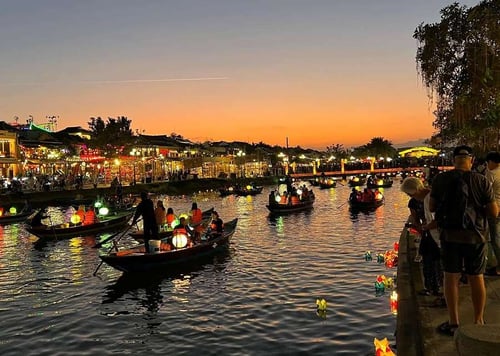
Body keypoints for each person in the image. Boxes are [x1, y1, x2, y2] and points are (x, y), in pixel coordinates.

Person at [429, 145, 498, 336]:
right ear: (472, 160)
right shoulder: (481, 180)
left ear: (453, 160)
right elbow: (493, 212)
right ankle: (478, 321)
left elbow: (433, 207)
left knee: (451, 278)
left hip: (450, 237)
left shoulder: (440, 179)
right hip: (476, 237)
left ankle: (454, 322)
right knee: (477, 277)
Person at [401, 177, 443, 298]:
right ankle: (430, 287)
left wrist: (426, 227)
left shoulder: (431, 198)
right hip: (428, 233)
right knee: (427, 258)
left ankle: (438, 289)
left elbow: (438, 219)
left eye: (410, 194)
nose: (410, 196)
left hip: (436, 235)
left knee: (437, 262)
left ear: (415, 190)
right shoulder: (420, 200)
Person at [485, 151, 500, 276]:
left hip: (495, 209)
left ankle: (498, 267)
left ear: (491, 162)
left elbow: (485, 193)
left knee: (494, 238)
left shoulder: (491, 174)